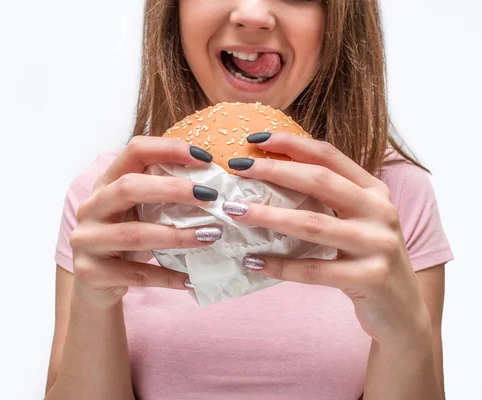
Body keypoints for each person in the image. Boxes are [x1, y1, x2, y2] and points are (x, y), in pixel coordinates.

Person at [45, 1, 454, 399]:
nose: (253, 14)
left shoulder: (391, 198)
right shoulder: (109, 197)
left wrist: (404, 333)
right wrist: (95, 304)